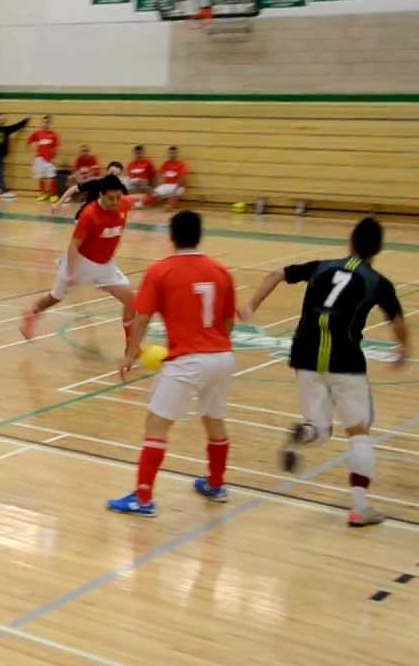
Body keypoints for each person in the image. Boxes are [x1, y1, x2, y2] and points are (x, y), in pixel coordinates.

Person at [241, 217, 409, 527]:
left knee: (319, 429)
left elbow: (275, 274)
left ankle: (303, 433)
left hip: (304, 353)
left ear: (350, 242)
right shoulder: (376, 282)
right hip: (344, 359)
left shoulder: (322, 267)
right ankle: (359, 509)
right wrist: (404, 349)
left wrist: (251, 306)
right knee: (358, 431)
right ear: (380, 248)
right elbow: (397, 322)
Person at [108, 211, 236, 517]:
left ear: (171, 235)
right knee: (213, 419)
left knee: (156, 424)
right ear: (200, 234)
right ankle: (216, 484)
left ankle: (143, 498)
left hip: (188, 360)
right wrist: (214, 346)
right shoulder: (221, 270)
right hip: (222, 356)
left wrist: (130, 354)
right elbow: (228, 321)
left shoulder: (161, 271)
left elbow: (141, 318)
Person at [22, 175, 135, 348]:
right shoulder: (89, 215)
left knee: (130, 301)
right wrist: (73, 272)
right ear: (101, 195)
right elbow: (74, 246)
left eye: (118, 197)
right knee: (55, 297)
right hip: (80, 262)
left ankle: (131, 346)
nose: (115, 202)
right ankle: (32, 313)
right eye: (111, 198)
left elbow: (134, 199)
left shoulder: (124, 204)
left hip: (105, 265)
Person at [55, 160, 128, 221]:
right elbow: (73, 189)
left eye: (116, 174)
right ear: (106, 171)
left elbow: (125, 203)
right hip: (85, 217)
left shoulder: (121, 188)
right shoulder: (96, 183)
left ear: (120, 175)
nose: (113, 176)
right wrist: (58, 204)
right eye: (111, 173)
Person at [28, 115, 61, 202]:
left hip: (50, 160)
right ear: (42, 122)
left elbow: (56, 148)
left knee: (51, 177)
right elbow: (30, 141)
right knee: (41, 177)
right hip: (39, 159)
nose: (46, 123)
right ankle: (43, 194)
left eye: (48, 122)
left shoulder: (54, 135)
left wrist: (55, 158)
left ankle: (54, 195)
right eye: (44, 122)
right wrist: (34, 153)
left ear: (50, 123)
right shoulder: (37, 133)